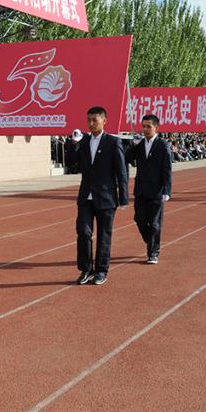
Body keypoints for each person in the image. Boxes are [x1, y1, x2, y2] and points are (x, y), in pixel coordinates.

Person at [68, 106, 129, 286]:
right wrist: (74, 144)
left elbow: (122, 171)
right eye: (88, 120)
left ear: (104, 121)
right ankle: (86, 269)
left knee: (104, 235)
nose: (91, 123)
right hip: (85, 196)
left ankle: (101, 270)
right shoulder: (84, 141)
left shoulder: (113, 142)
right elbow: (72, 164)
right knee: (83, 232)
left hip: (106, 197)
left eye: (94, 120)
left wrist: (123, 197)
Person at [125, 114, 173, 264]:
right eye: (143, 126)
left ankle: (153, 252)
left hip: (156, 190)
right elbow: (127, 158)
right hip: (140, 189)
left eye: (148, 127)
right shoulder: (139, 144)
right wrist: (133, 145)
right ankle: (151, 242)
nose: (145, 129)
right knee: (139, 219)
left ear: (156, 128)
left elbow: (167, 169)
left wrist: (167, 190)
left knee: (154, 223)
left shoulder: (163, 145)